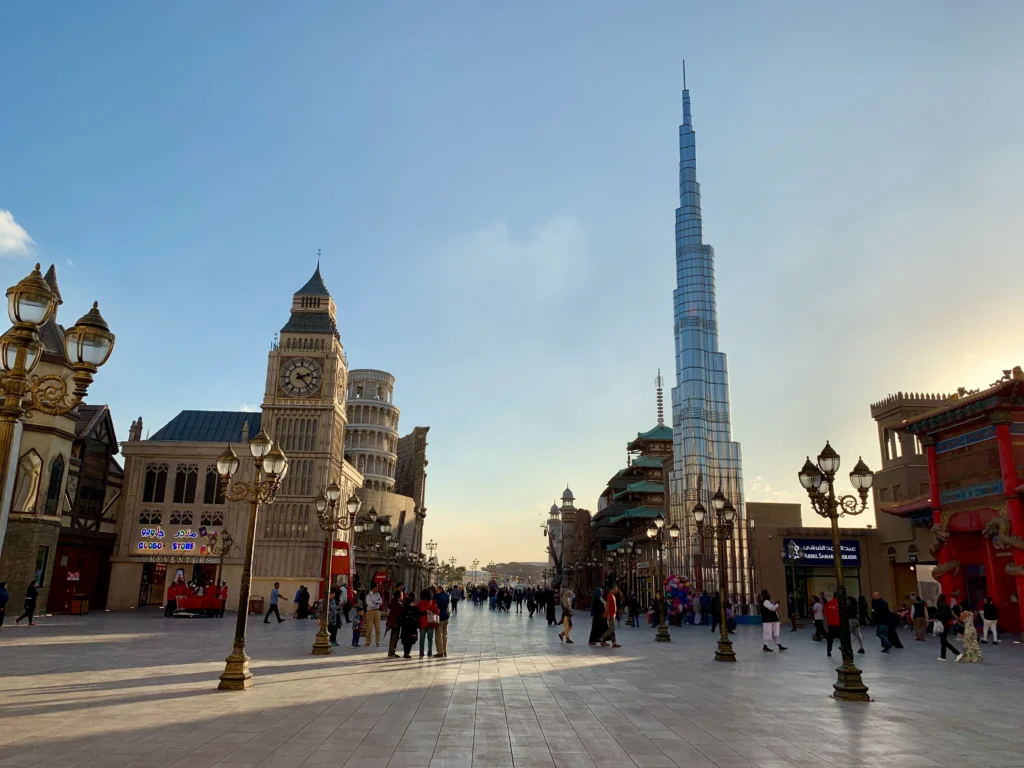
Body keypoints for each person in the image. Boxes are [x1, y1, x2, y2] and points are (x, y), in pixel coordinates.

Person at [935, 594, 960, 661]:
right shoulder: (946, 605)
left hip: (942, 625)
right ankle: (943, 656)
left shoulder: (940, 605)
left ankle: (957, 653)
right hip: (947, 625)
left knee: (944, 641)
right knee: (943, 641)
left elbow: (939, 615)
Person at [417, 587, 438, 658]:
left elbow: (420, 610)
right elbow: (437, 611)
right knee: (430, 639)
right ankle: (429, 653)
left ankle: (421, 653)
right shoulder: (432, 602)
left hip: (422, 622)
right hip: (430, 623)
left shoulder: (420, 602)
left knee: (422, 638)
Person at [385, 588, 405, 657]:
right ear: (399, 595)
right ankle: (391, 651)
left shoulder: (394, 601)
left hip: (393, 622)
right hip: (396, 622)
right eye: (402, 594)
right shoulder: (398, 603)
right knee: (394, 637)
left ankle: (392, 651)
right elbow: (399, 613)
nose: (403, 595)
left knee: (394, 637)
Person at [434, 585, 451, 658]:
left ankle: (440, 652)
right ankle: (445, 651)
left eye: (437, 590)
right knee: (445, 635)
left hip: (439, 617)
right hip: (446, 617)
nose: (436, 591)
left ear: (440, 590)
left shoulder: (437, 597)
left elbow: (436, 607)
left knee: (438, 635)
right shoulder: (447, 595)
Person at [824, 593, 840, 657]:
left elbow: (825, 616)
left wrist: (825, 626)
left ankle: (829, 651)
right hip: (839, 624)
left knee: (830, 639)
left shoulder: (828, 604)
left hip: (830, 624)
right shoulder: (841, 604)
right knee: (842, 638)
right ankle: (844, 650)